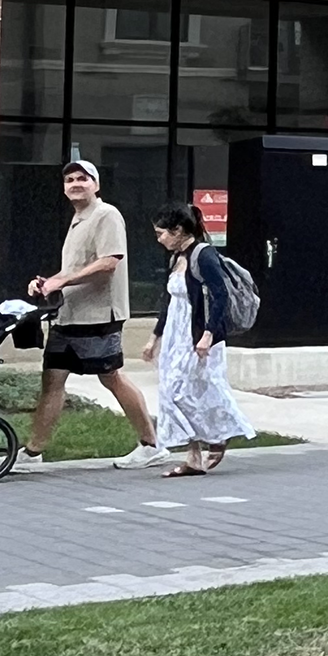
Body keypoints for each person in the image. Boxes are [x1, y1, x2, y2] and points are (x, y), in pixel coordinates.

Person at [18, 158, 161, 469]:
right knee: (52, 380)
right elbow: (75, 269)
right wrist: (48, 283)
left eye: (83, 178)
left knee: (111, 377)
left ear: (96, 185)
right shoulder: (79, 219)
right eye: (70, 180)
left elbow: (110, 261)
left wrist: (64, 280)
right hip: (68, 316)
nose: (75, 184)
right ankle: (33, 451)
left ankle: (150, 445)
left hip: (99, 316)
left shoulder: (106, 215)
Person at [144, 201, 253, 475]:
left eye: (162, 233)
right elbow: (169, 302)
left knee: (198, 389)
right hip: (175, 336)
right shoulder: (175, 258)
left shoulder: (203, 256)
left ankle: (219, 435)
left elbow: (220, 296)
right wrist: (155, 338)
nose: (159, 239)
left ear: (178, 230)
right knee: (172, 392)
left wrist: (207, 335)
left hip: (199, 336)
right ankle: (193, 456)